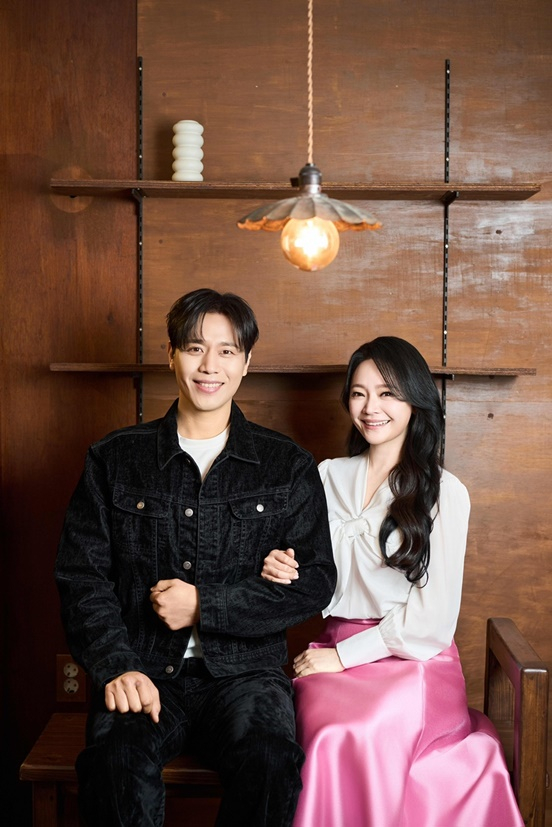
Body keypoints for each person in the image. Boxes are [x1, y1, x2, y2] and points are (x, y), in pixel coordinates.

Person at [55, 287, 337, 827]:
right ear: (171, 355)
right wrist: (116, 666)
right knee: (114, 764)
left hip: (245, 677)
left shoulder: (286, 465)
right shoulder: (114, 458)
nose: (210, 365)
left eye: (227, 351)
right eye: (194, 348)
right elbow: (81, 577)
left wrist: (207, 605)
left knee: (272, 761)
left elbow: (316, 580)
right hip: (142, 667)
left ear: (246, 362)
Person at [262, 336, 523, 827]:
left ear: (414, 399)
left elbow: (433, 622)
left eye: (387, 393)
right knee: (324, 734)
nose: (370, 408)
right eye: (358, 393)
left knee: (355, 732)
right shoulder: (326, 477)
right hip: (332, 648)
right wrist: (280, 565)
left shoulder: (444, 491)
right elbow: (308, 568)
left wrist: (343, 657)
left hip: (412, 659)